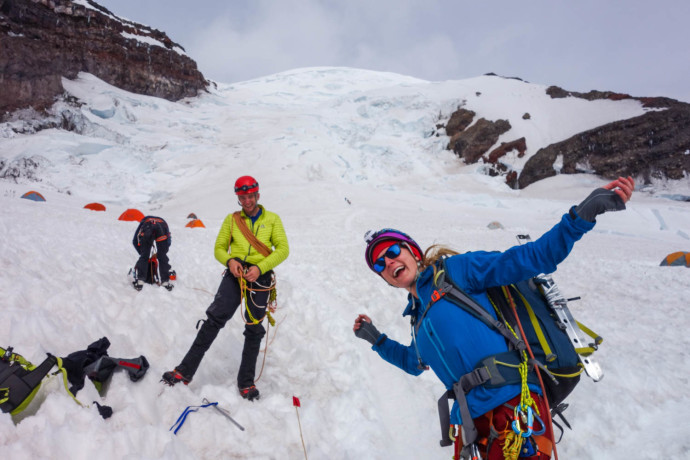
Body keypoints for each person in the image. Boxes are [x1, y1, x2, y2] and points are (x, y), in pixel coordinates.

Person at [353, 177, 634, 459]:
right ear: (386, 279)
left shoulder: (456, 271)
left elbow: (531, 258)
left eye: (392, 252)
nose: (388, 262)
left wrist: (581, 216)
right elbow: (414, 363)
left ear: (412, 251)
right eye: (380, 264)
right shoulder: (418, 320)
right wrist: (375, 339)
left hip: (513, 405)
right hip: (470, 427)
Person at [162, 176, 289, 401]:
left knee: (254, 327)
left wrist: (260, 268)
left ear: (258, 196)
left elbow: (282, 250)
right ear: (238, 199)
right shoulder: (231, 221)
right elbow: (220, 248)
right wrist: (230, 261)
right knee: (214, 320)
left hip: (260, 277)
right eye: (243, 197)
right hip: (235, 275)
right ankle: (185, 370)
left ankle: (246, 382)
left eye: (251, 196)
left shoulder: (273, 219)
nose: (247, 201)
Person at [132, 216, 172, 291]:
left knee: (144, 256)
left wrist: (142, 254)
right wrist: (161, 253)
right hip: (162, 228)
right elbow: (168, 241)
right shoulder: (163, 222)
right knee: (162, 257)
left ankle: (140, 282)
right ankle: (165, 282)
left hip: (147, 227)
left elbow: (134, 240)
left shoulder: (144, 220)